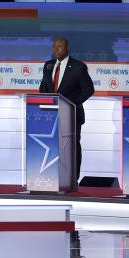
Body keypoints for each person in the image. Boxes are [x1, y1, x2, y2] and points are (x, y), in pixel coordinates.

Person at [38, 37, 94, 179]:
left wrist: (70, 104)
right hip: (51, 115)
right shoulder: (48, 65)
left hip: (72, 115)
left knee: (72, 147)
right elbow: (44, 87)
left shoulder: (78, 66)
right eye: (54, 46)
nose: (56, 49)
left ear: (67, 48)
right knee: (53, 146)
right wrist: (44, 103)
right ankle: (53, 176)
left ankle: (73, 179)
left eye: (60, 46)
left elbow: (88, 90)